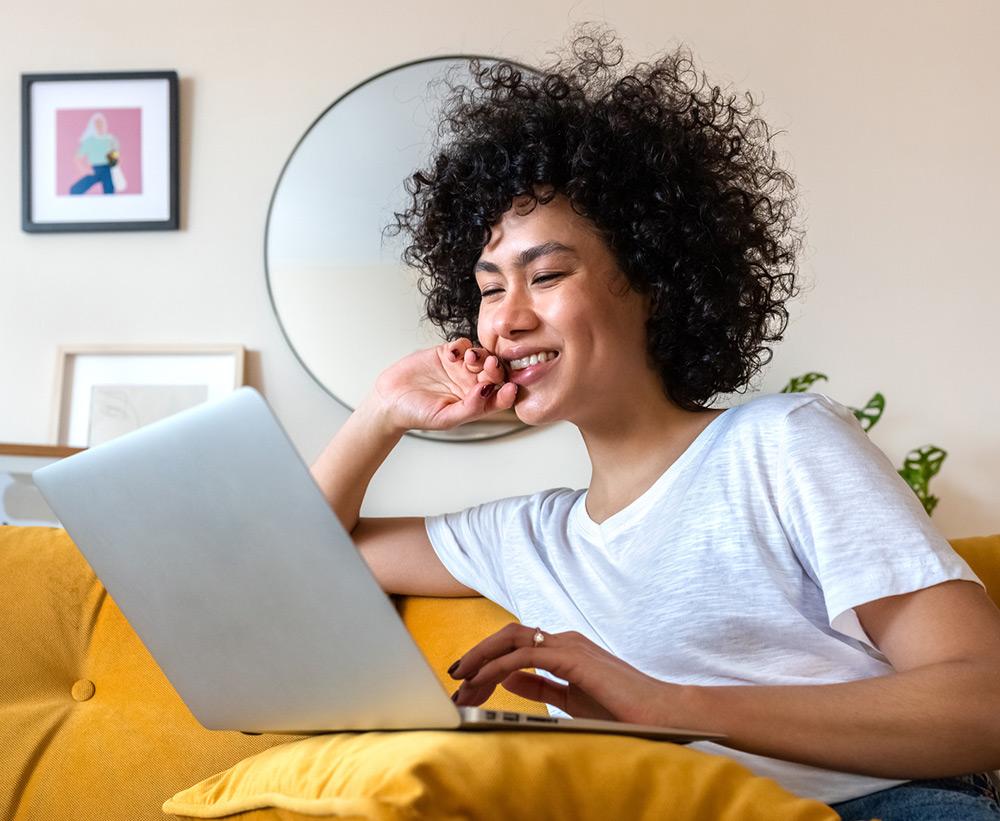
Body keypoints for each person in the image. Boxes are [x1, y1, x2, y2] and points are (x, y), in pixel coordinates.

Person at [310, 24, 1000, 818]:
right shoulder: (527, 539)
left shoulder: (781, 444)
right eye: (491, 286)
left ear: (656, 282)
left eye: (547, 274)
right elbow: (307, 558)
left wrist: (669, 706)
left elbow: (982, 703)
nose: (508, 318)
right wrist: (382, 412)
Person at [69, 112, 120, 195]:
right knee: (75, 190)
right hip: (95, 169)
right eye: (97, 124)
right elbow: (77, 158)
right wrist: (85, 170)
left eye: (101, 123)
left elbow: (114, 159)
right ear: (93, 126)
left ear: (105, 124)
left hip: (107, 169)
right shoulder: (89, 141)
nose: (100, 126)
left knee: (109, 192)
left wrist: (114, 168)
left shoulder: (111, 139)